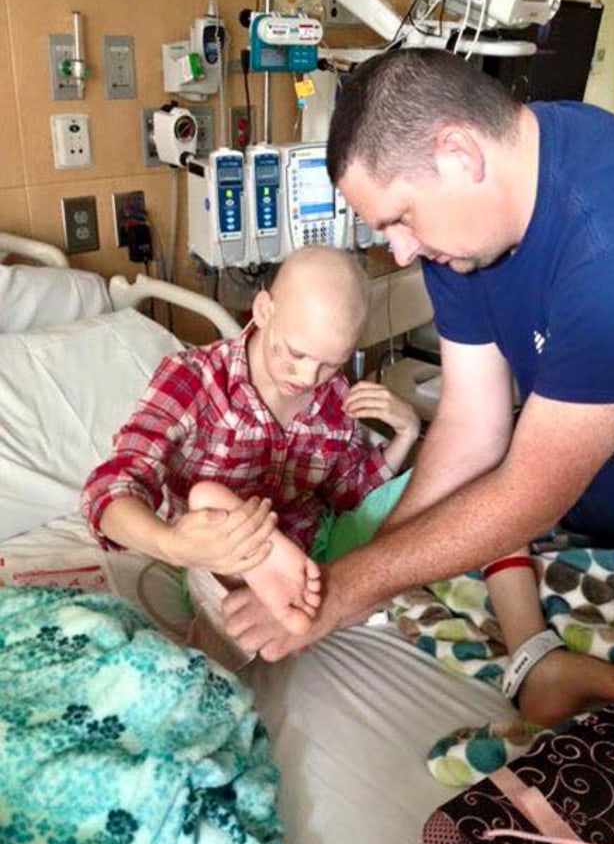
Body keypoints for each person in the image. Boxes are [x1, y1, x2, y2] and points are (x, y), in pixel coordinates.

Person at [219, 47, 614, 727]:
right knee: (437, 574)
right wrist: (349, 577)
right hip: (598, 508)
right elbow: (472, 428)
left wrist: (347, 589)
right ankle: (541, 654)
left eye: (398, 217)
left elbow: (528, 492)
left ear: (459, 154)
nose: (400, 252)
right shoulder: (479, 216)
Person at [82, 246, 420, 640]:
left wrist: (406, 433)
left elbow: (350, 495)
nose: (309, 377)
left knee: (422, 494)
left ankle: (311, 586)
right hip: (222, 557)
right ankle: (272, 583)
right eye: (296, 352)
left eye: (331, 362)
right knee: (213, 504)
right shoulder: (195, 381)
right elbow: (109, 489)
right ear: (264, 311)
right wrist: (173, 545)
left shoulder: (334, 395)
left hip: (317, 546)